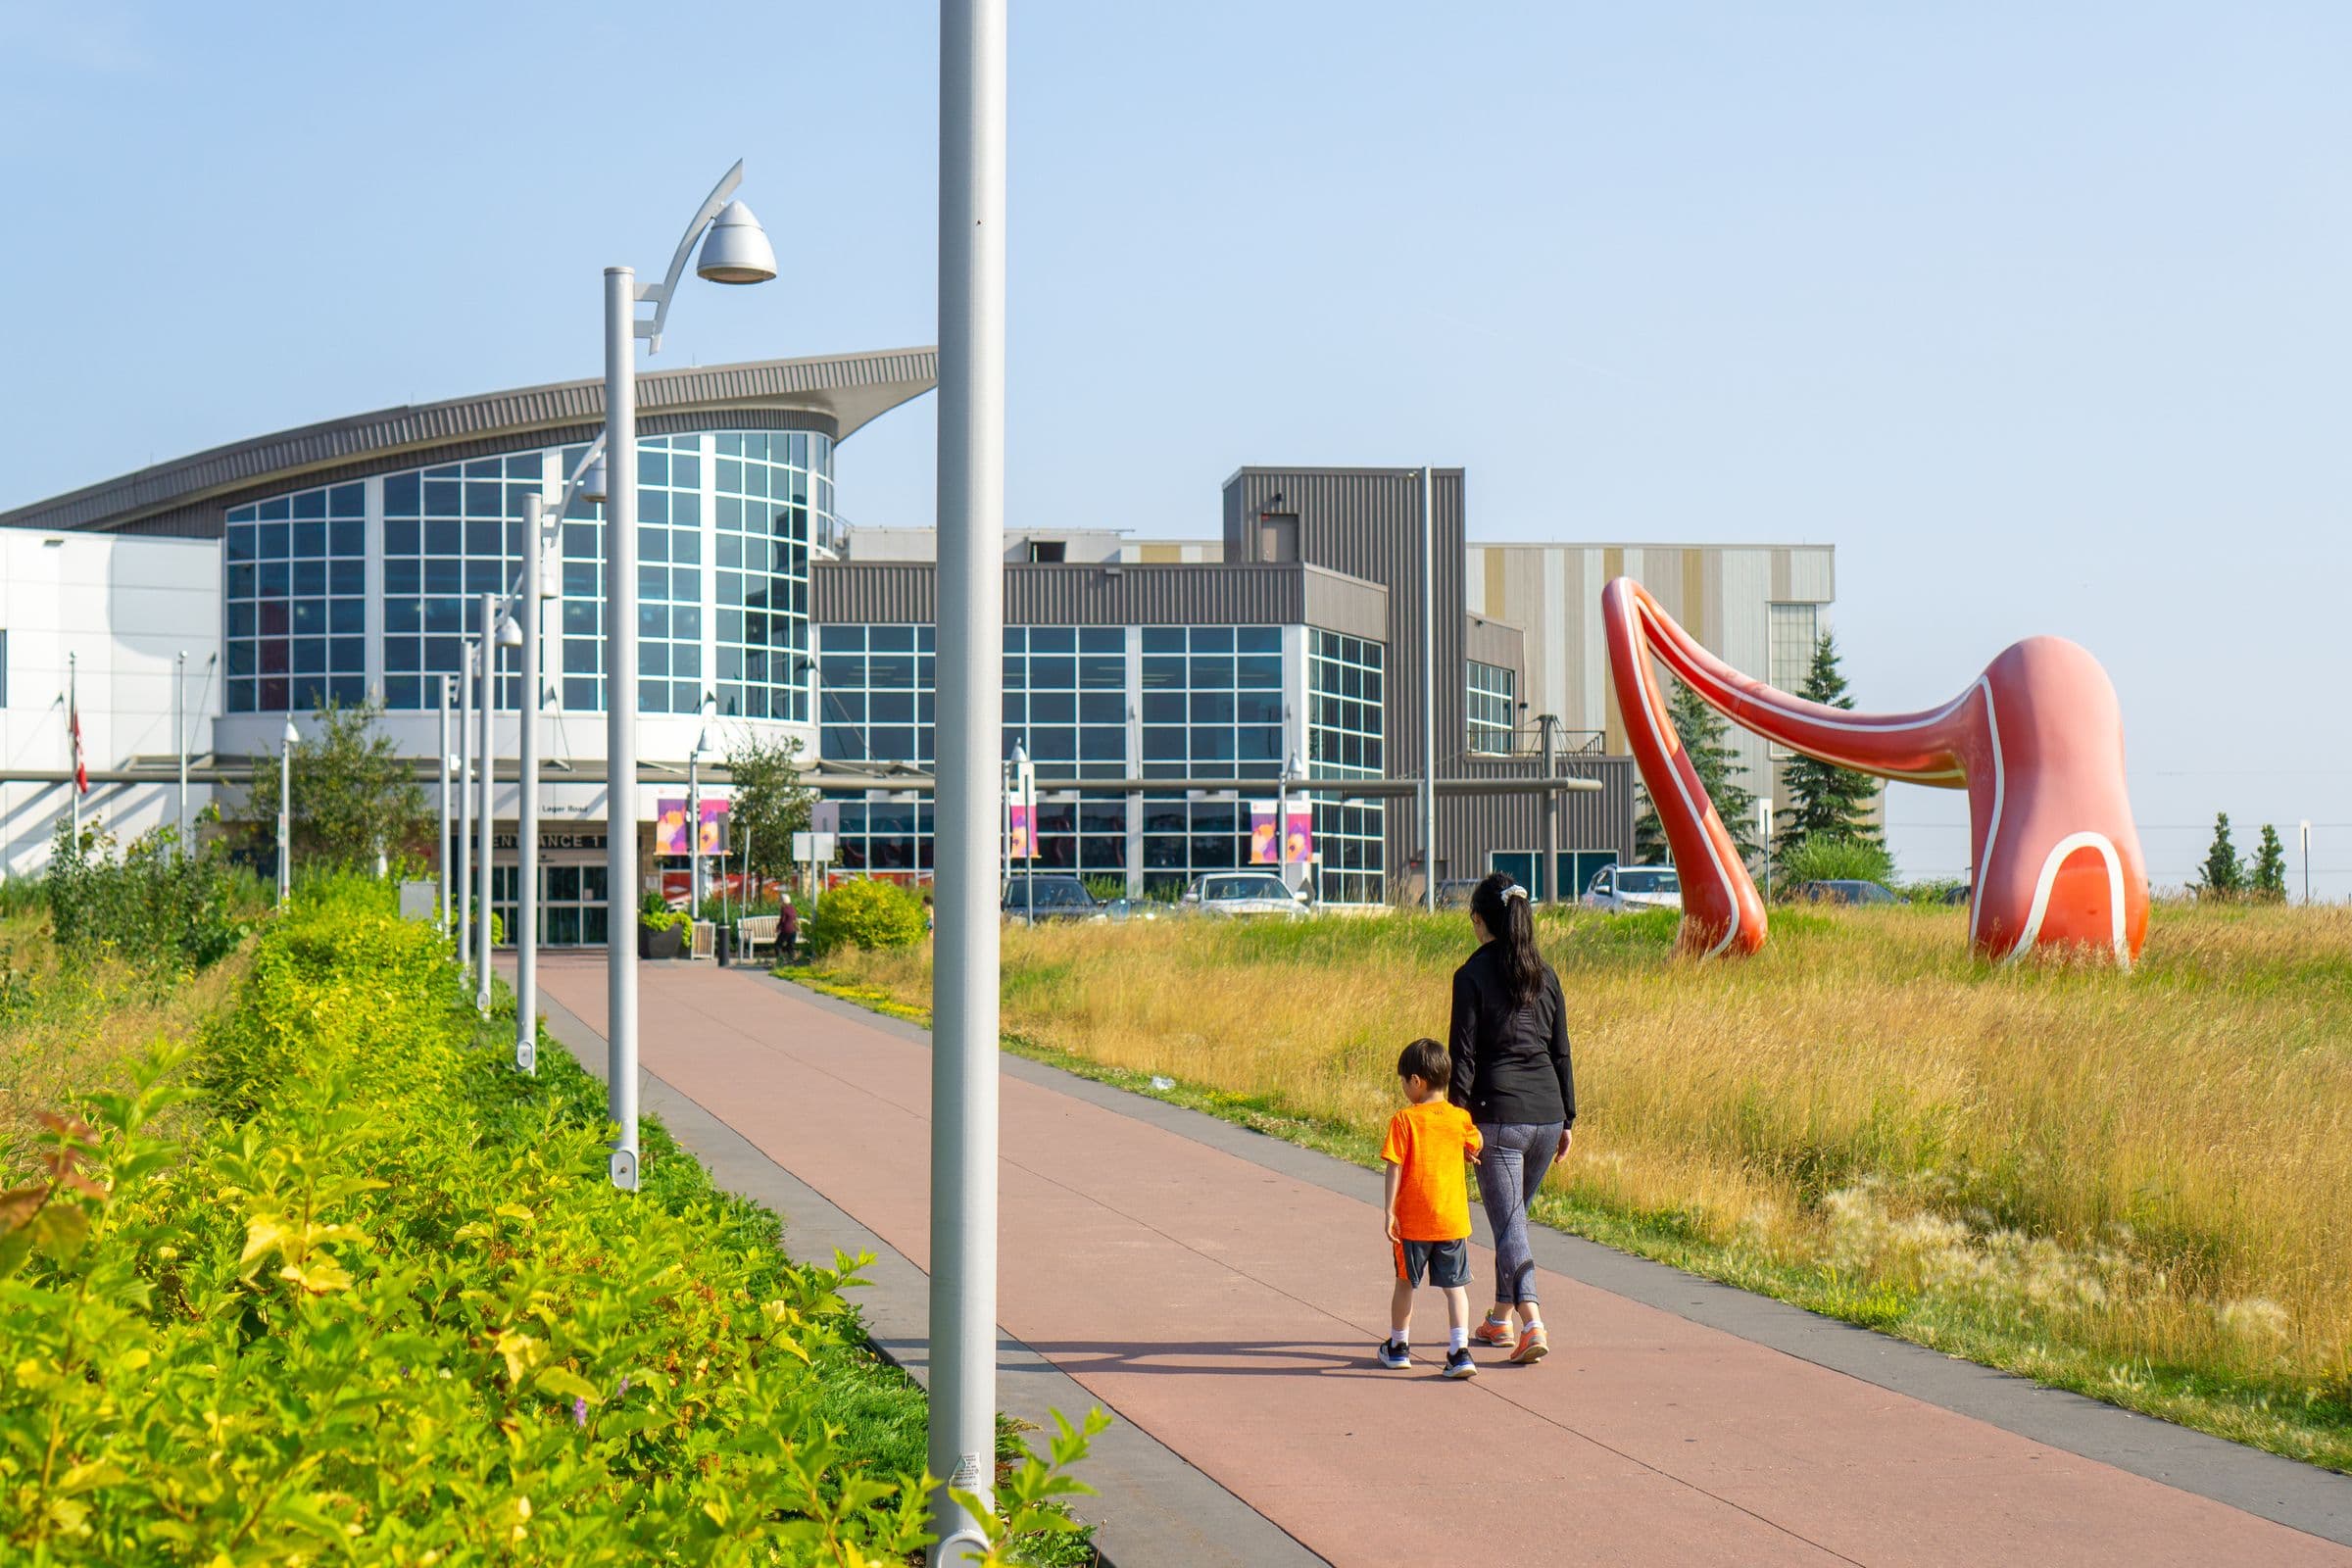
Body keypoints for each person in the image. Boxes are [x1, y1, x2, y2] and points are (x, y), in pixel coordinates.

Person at [1449, 871, 1574, 1366]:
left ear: (1481, 921)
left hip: (1498, 1119)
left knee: (1509, 1227)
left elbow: (1463, 1057)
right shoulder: (1546, 974)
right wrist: (1568, 1119)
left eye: (1474, 920)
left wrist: (1457, 1118)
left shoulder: (1472, 975)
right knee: (1512, 1220)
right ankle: (1500, 1317)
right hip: (1546, 1115)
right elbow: (1561, 1051)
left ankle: (1532, 1320)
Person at [1377, 1037, 1486, 1379]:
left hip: (1413, 1221)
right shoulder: (1460, 1118)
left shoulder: (1404, 1120)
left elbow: (1394, 1164)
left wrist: (1389, 1210)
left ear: (1416, 1081)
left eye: (1403, 1081)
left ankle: (1398, 1346)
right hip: (1451, 1220)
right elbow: (1475, 1142)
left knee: (1406, 1283)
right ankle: (1459, 1350)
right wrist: (1467, 1151)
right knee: (1456, 1287)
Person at [778, 895, 800, 961]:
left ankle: (780, 959)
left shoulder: (784, 909)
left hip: (786, 930)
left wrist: (778, 927)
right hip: (794, 930)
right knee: (790, 946)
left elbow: (783, 920)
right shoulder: (792, 908)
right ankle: (792, 959)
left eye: (780, 900)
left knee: (777, 945)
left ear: (783, 901)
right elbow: (795, 919)